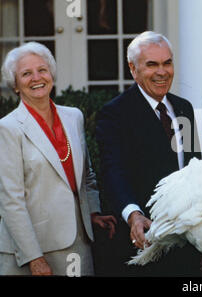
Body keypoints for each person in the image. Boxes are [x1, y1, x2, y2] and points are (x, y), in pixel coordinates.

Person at [0, 42, 116, 276]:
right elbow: (11, 200)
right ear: (15, 85)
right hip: (30, 247)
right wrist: (35, 258)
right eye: (26, 73)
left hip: (77, 242)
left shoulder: (74, 116)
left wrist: (91, 213)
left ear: (51, 74)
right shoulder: (7, 128)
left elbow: (86, 176)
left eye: (42, 70)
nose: (36, 78)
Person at [95, 31, 202, 276]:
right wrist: (133, 215)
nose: (162, 72)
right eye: (152, 64)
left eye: (167, 63)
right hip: (143, 240)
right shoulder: (115, 114)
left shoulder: (183, 108)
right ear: (133, 69)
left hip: (186, 241)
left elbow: (194, 169)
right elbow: (113, 172)